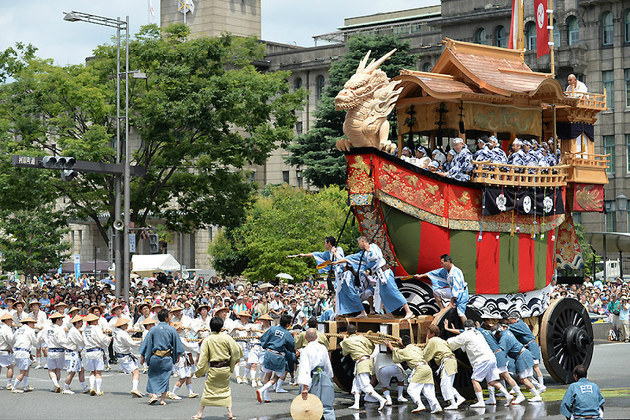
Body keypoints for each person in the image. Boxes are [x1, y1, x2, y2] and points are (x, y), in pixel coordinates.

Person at [335, 236, 413, 319]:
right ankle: (389, 314)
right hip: (380, 275)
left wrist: (369, 250)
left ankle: (408, 311)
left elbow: (376, 256)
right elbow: (350, 258)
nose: (358, 245)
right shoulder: (362, 254)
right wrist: (337, 261)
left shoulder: (374, 247)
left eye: (359, 243)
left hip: (385, 272)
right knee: (382, 294)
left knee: (393, 291)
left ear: (363, 241)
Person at [446, 319, 513, 408]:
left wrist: (443, 342)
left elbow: (453, 342)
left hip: (482, 360)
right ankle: (508, 396)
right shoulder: (478, 333)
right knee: (492, 381)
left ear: (465, 327)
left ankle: (480, 402)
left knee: (475, 380)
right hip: (491, 358)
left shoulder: (466, 334)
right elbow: (464, 344)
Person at [192, 316, 243, 420]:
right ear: (221, 326)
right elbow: (237, 351)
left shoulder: (207, 339)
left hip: (214, 369)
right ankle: (229, 412)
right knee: (226, 390)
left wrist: (200, 370)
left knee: (208, 390)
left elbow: (203, 357)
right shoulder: (227, 337)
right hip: (225, 369)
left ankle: (200, 413)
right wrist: (232, 364)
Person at [139, 308, 186, 405]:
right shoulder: (171, 329)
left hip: (155, 356)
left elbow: (147, 344)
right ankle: (162, 399)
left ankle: (154, 395)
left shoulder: (153, 329)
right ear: (166, 318)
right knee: (165, 377)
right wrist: (177, 354)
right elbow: (177, 345)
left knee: (153, 376)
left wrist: (143, 356)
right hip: (167, 357)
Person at [386, 336, 441, 414]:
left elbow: (397, 354)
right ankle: (437, 406)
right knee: (428, 390)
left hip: (420, 369)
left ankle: (420, 405)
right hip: (427, 368)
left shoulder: (405, 350)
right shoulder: (417, 348)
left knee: (411, 389)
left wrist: (390, 346)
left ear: (403, 344)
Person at [340, 323, 387, 411]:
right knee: (356, 384)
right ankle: (356, 404)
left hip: (362, 363)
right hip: (364, 361)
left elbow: (344, 353)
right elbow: (371, 347)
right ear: (356, 331)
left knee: (365, 386)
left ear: (347, 333)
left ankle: (381, 399)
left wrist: (344, 340)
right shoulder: (362, 338)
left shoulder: (346, 341)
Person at [496, 319, 542, 403]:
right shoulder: (508, 332)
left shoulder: (504, 337)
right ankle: (539, 387)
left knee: (523, 379)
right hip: (524, 353)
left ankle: (537, 395)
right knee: (523, 378)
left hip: (522, 355)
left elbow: (502, 351)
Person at [298, 236, 345, 316]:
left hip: (343, 274)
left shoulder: (338, 249)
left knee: (343, 293)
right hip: (337, 276)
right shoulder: (328, 253)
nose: (324, 245)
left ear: (329, 243)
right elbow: (316, 254)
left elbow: (341, 260)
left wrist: (334, 252)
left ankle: (344, 312)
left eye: (325, 243)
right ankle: (340, 312)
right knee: (338, 293)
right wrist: (304, 255)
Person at [415, 254, 468, 323]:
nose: (441, 265)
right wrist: (421, 276)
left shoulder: (456, 272)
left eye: (442, 263)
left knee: (460, 313)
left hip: (461, 294)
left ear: (448, 262)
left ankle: (469, 328)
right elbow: (434, 273)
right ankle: (441, 308)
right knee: (436, 292)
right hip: (452, 291)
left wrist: (451, 302)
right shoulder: (446, 270)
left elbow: (456, 288)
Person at [423, 324, 465, 410]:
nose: (427, 334)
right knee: (448, 384)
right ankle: (459, 398)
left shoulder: (433, 340)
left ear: (432, 333)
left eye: (428, 332)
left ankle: (453, 403)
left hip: (447, 362)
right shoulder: (441, 340)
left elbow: (425, 354)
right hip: (451, 361)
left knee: (445, 384)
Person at [256, 314, 295, 403]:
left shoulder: (273, 329)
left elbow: (264, 339)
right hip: (278, 355)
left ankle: (266, 396)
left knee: (268, 374)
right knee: (277, 376)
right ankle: (262, 390)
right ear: (288, 324)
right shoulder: (287, 333)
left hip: (269, 352)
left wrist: (265, 346)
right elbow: (292, 346)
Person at [298, 328, 336, 420]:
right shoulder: (323, 348)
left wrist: (305, 387)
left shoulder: (306, 350)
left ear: (306, 338)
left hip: (313, 376)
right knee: (326, 404)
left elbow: (305, 368)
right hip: (324, 376)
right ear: (316, 337)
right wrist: (329, 377)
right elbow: (328, 364)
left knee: (310, 406)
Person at [507, 312, 546, 393]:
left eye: (509, 320)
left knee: (535, 367)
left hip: (531, 345)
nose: (508, 322)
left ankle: (541, 386)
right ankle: (538, 385)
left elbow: (508, 328)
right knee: (530, 368)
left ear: (514, 319)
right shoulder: (521, 323)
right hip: (529, 345)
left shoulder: (519, 324)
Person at [113, 317, 143, 397]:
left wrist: (128, 332)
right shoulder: (122, 334)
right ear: (121, 325)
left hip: (120, 354)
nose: (127, 325)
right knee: (136, 371)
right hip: (124, 355)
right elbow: (132, 343)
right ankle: (134, 388)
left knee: (134, 371)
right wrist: (142, 342)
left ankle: (135, 388)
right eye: (125, 324)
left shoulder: (115, 331)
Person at [83, 313, 111, 396]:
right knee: (98, 372)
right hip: (96, 350)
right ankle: (98, 390)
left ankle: (92, 387)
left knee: (92, 371)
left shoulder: (85, 329)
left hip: (88, 351)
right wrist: (108, 339)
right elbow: (101, 338)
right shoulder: (96, 328)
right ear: (93, 321)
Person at [11, 316, 38, 393]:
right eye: (33, 323)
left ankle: (25, 385)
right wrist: (38, 342)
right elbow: (35, 342)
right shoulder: (30, 330)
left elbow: (12, 340)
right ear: (29, 323)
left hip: (17, 351)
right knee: (22, 372)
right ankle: (14, 387)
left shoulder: (18, 330)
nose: (34, 325)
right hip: (24, 352)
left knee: (26, 368)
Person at [63, 314, 88, 394]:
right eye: (81, 322)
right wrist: (86, 343)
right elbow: (80, 341)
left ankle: (84, 386)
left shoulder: (75, 330)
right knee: (72, 371)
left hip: (75, 352)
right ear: (77, 323)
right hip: (72, 353)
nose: (82, 324)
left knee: (81, 370)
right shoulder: (74, 331)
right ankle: (65, 387)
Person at [42, 312, 67, 393]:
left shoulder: (47, 328)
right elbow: (61, 340)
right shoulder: (60, 329)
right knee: (57, 370)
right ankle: (57, 384)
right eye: (61, 319)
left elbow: (42, 337)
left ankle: (55, 384)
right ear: (57, 320)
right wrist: (67, 345)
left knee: (51, 370)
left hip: (51, 351)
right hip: (60, 351)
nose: (62, 321)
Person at [0, 313, 15, 390]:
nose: (11, 321)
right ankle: (9, 383)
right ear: (6, 320)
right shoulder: (6, 329)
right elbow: (10, 339)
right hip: (4, 350)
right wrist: (12, 346)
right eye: (10, 320)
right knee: (10, 367)